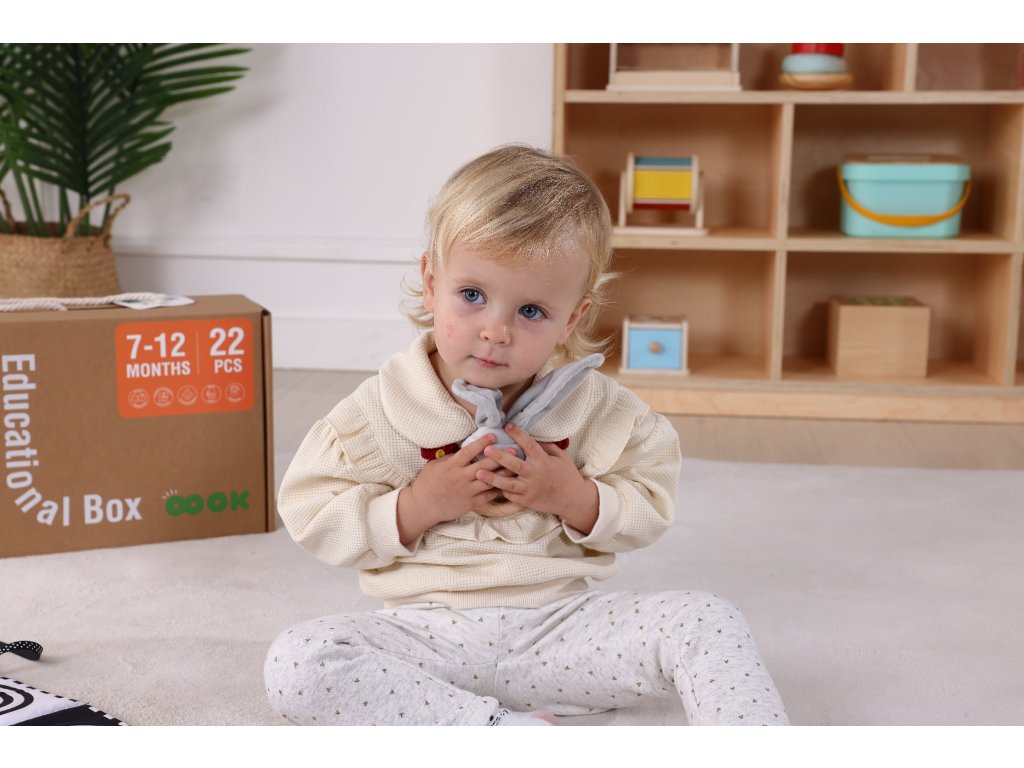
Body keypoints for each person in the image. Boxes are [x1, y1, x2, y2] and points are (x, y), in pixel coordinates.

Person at [265, 145, 788, 726]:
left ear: (572, 319)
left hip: (564, 634)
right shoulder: (379, 410)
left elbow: (651, 503)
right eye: (472, 296)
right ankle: (496, 731)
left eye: (532, 311)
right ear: (431, 282)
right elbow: (312, 513)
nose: (496, 332)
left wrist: (574, 498)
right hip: (424, 640)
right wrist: (417, 506)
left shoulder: (600, 410)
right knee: (298, 660)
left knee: (707, 618)